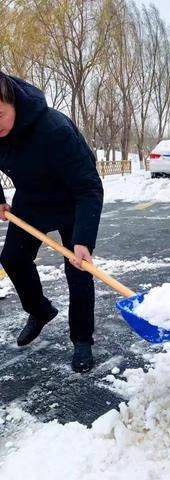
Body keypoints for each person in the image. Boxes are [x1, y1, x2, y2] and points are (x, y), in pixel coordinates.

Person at [0, 72, 103, 372]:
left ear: (13, 101)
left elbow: (88, 185)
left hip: (71, 198)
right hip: (31, 199)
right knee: (13, 258)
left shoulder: (53, 129)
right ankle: (40, 310)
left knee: (78, 268)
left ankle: (82, 339)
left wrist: (83, 239)